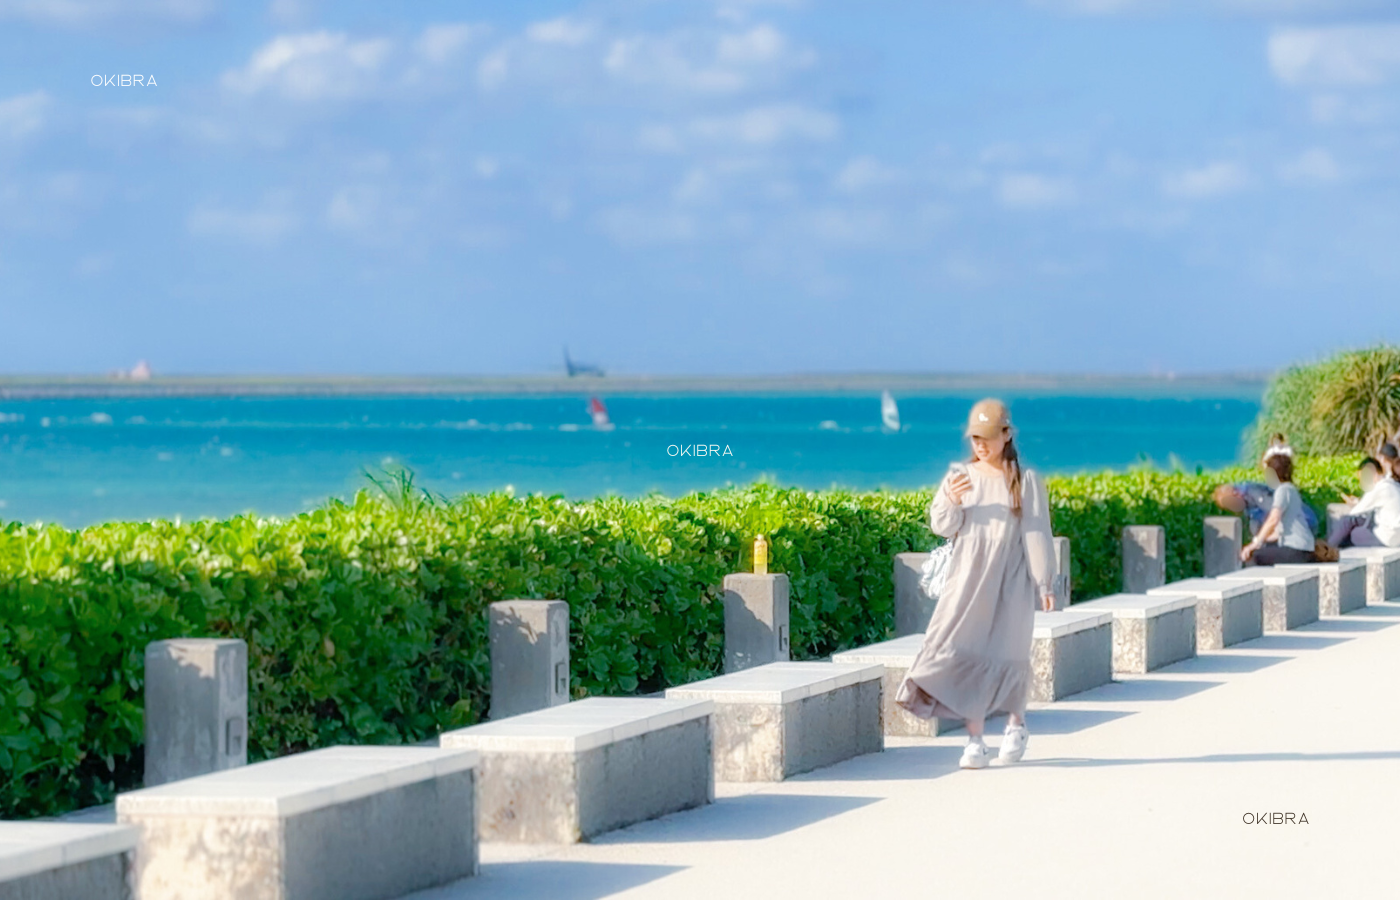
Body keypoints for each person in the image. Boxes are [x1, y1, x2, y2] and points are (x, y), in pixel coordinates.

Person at [894, 399, 1056, 770]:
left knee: (1009, 654)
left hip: (1011, 582)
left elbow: (1036, 533)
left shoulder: (1025, 481)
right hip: (967, 581)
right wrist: (950, 500)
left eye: (987, 437)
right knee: (966, 656)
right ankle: (975, 739)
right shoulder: (961, 476)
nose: (980, 444)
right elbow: (942, 525)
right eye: (974, 438)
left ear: (1006, 435)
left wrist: (1045, 583)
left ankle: (1016, 725)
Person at [1241, 452, 1318, 565]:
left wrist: (1255, 543)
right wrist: (1262, 540)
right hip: (1304, 548)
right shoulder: (1291, 489)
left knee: (1254, 556)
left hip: (1296, 549)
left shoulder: (1282, 490)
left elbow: (1273, 519)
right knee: (1266, 550)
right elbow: (1279, 532)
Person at [1328, 456, 1400, 548]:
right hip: (1395, 535)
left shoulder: (1381, 488)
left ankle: (1327, 548)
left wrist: (1354, 505)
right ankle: (1330, 547)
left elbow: (1355, 513)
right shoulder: (1393, 485)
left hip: (1389, 538)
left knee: (1353, 531)